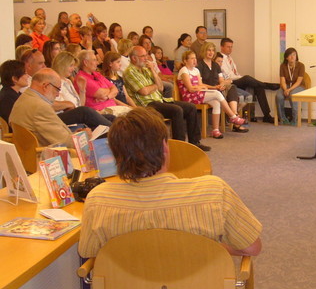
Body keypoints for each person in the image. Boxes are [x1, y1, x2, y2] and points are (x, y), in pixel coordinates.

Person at [78, 107, 262, 258]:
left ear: (116, 155)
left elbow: (89, 252)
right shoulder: (214, 192)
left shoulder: (97, 200)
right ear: (165, 147)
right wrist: (212, 248)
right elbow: (251, 248)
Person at [123, 46, 210, 151]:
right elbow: (144, 91)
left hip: (159, 100)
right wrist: (155, 86)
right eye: (143, 56)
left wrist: (153, 71)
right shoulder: (129, 72)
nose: (146, 58)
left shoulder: (146, 69)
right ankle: (179, 146)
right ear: (133, 58)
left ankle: (195, 142)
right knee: (176, 110)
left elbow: (161, 87)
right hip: (146, 104)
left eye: (146, 55)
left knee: (190, 107)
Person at [178, 50, 247, 139]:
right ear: (185, 61)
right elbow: (190, 88)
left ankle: (215, 130)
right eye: (192, 58)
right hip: (189, 96)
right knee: (217, 94)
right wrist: (201, 88)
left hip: (198, 94)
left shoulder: (196, 70)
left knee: (216, 102)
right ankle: (232, 116)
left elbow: (201, 84)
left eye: (195, 58)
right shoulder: (184, 70)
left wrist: (213, 87)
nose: (194, 60)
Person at [9, 68, 79, 147]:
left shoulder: (24, 97)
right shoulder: (40, 107)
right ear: (46, 86)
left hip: (27, 153)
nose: (58, 95)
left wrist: (74, 134)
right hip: (45, 156)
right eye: (58, 89)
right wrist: (83, 137)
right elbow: (66, 143)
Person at [220, 37, 278, 123]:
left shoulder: (230, 58)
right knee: (246, 78)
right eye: (228, 47)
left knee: (258, 87)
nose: (230, 49)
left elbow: (235, 73)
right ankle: (267, 85)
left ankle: (267, 115)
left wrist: (240, 77)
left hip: (235, 80)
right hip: (229, 83)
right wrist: (242, 78)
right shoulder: (220, 58)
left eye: (231, 47)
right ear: (222, 47)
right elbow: (229, 76)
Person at [51, 51, 114, 128]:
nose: (73, 68)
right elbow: (49, 103)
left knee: (111, 117)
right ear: (62, 65)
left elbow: (80, 105)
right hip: (60, 117)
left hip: (77, 114)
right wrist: (68, 104)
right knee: (85, 111)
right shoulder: (52, 81)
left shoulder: (67, 81)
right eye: (71, 66)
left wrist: (82, 90)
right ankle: (114, 131)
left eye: (74, 66)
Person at [198, 42, 248, 133]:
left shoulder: (216, 65)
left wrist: (222, 85)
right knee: (222, 92)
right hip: (207, 90)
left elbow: (221, 79)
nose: (211, 52)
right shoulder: (199, 65)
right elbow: (200, 83)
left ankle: (234, 115)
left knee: (232, 87)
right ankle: (234, 118)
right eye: (209, 50)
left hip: (217, 89)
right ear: (204, 51)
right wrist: (214, 87)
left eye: (213, 50)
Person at [276, 48, 305, 125]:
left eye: (294, 55)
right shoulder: (283, 66)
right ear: (286, 58)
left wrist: (289, 90)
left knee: (293, 95)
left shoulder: (301, 65)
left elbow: (299, 81)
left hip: (298, 86)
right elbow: (282, 80)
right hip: (286, 85)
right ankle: (283, 118)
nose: (292, 57)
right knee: (279, 96)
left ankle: (295, 119)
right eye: (290, 55)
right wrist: (286, 89)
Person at [0, 60, 30, 129]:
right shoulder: (7, 98)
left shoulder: (15, 94)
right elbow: (14, 124)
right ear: (14, 79)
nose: (28, 76)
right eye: (25, 73)